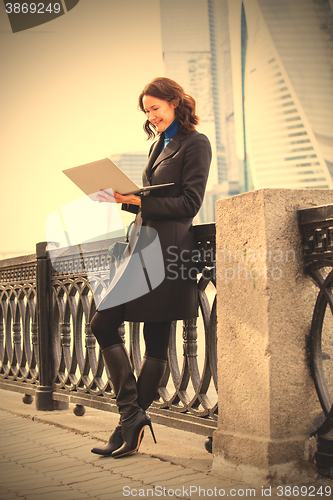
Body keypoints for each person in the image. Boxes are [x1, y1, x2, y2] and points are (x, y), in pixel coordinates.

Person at [90, 77, 212, 458]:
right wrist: (122, 200)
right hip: (143, 250)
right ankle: (132, 418)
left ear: (176, 102)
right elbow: (151, 199)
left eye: (156, 108)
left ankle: (128, 424)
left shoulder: (196, 143)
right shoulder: (160, 144)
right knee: (102, 322)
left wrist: (137, 201)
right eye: (146, 111)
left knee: (155, 340)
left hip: (170, 252)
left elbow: (189, 204)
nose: (151, 116)